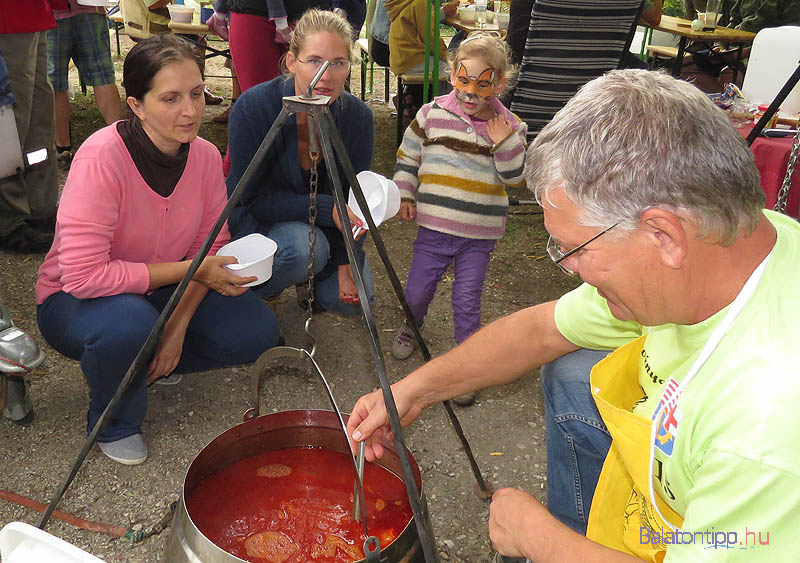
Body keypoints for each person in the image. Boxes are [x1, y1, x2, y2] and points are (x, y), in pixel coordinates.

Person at [347, 69, 800, 561]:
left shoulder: (766, 421)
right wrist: (412, 390)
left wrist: (537, 537)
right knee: (570, 371)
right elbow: (540, 331)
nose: (567, 268)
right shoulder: (729, 244)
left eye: (574, 249)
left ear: (664, 235)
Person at [35, 34, 280, 466]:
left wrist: (177, 327)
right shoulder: (100, 158)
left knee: (256, 331)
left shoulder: (204, 156)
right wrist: (192, 270)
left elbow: (212, 245)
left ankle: (144, 362)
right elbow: (83, 276)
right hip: (74, 300)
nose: (190, 111)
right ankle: (113, 420)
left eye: (197, 93)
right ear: (136, 106)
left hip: (161, 291)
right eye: (170, 98)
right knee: (130, 325)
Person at [390, 32, 527, 408]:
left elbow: (515, 178)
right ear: (452, 74)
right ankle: (411, 322)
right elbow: (408, 157)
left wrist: (503, 142)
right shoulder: (430, 114)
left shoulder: (509, 126)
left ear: (498, 83)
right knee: (416, 291)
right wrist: (404, 191)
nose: (470, 93)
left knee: (467, 302)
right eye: (463, 80)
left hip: (478, 236)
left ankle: (467, 368)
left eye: (482, 85)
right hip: (434, 228)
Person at [227, 9, 375, 316]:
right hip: (262, 223)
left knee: (355, 301)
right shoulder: (254, 108)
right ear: (292, 62)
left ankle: (316, 280)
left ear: (350, 66)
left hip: (326, 228)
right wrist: (326, 208)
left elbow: (353, 201)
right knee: (304, 249)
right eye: (314, 61)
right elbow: (251, 199)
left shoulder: (357, 119)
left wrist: (348, 257)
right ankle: (258, 292)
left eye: (338, 63)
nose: (327, 75)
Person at [0, 0, 65, 253]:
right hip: (8, 16)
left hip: (34, 12)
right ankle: (9, 219)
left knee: (38, 117)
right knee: (12, 120)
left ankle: (40, 207)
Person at [48, 1, 122, 170]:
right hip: (90, 9)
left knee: (56, 82)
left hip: (55, 13)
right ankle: (120, 139)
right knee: (102, 75)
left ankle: (63, 150)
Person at [119, 0, 224, 105]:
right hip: (152, 26)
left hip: (145, 22)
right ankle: (194, 89)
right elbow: (154, 4)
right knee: (197, 45)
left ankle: (195, 88)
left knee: (200, 41)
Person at [385, 0, 458, 118]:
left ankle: (425, 105)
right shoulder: (421, 3)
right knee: (453, 72)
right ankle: (442, 115)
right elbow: (432, 38)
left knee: (447, 66)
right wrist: (449, 59)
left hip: (402, 58)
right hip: (412, 60)